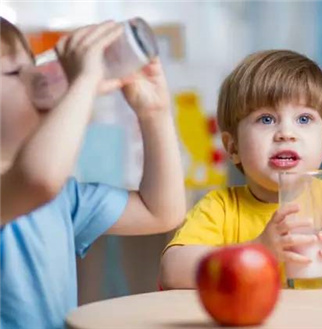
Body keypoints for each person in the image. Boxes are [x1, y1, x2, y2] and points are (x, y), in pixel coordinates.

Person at [159, 49, 322, 289]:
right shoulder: (221, 208)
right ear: (233, 147)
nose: (286, 133)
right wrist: (258, 249)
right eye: (266, 119)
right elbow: (172, 270)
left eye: (304, 118)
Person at [0, 17, 185, 329]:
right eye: (15, 71)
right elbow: (37, 179)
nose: (36, 75)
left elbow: (161, 211)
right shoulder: (34, 186)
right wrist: (85, 80)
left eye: (33, 62)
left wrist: (154, 113)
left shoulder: (63, 197)